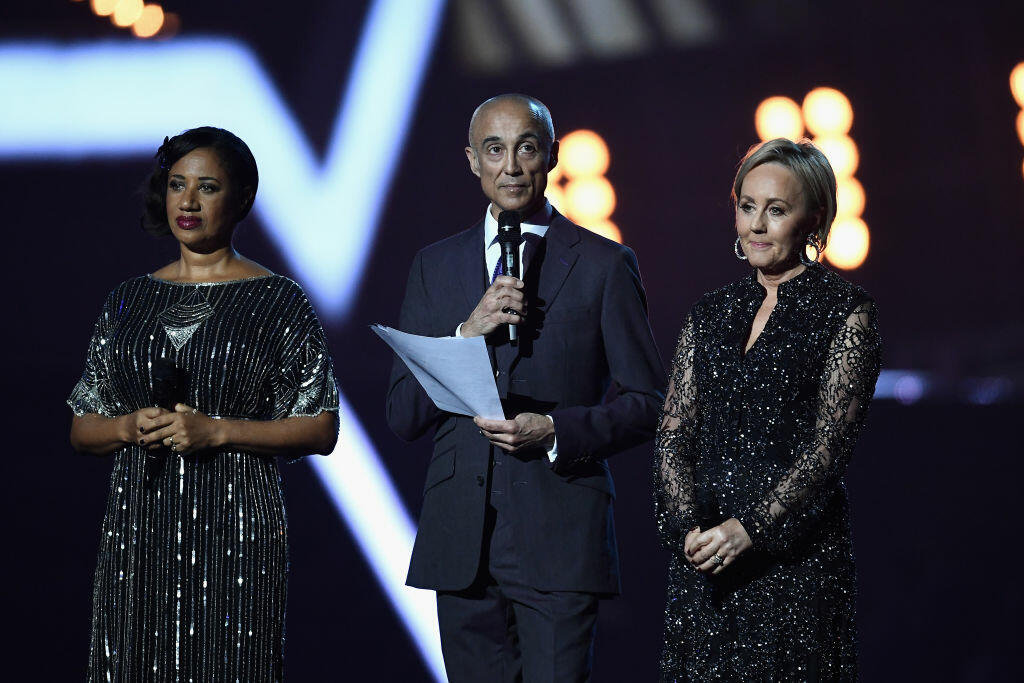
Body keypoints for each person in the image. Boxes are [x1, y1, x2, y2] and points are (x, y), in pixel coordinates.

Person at [386, 94, 665, 681]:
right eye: (494, 150)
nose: (510, 166)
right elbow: (402, 414)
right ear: (471, 160)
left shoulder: (603, 264)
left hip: (560, 533)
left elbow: (649, 405)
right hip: (461, 539)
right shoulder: (433, 267)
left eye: (526, 148)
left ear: (552, 157)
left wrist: (558, 430)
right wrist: (467, 331)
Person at [68, 127, 339, 681]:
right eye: (176, 185)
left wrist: (217, 431)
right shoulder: (126, 301)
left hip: (235, 537)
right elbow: (81, 428)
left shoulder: (277, 300)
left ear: (241, 198)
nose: (188, 202)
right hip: (137, 535)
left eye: (207, 187)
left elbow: (320, 428)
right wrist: (124, 425)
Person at [653, 137, 881, 681]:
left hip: (791, 565)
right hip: (704, 561)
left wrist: (751, 529)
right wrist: (689, 527)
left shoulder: (845, 312)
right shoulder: (711, 311)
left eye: (776, 210)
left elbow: (829, 448)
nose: (756, 224)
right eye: (747, 206)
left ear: (814, 221)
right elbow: (674, 433)